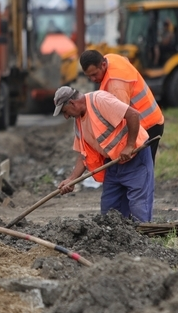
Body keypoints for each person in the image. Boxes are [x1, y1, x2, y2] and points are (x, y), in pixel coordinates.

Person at [54, 86, 155, 223]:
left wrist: (130, 145)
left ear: (72, 103)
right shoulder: (78, 123)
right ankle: (120, 242)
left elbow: (133, 115)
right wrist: (71, 179)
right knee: (109, 212)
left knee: (139, 206)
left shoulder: (100, 101)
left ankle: (144, 239)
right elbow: (83, 154)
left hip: (135, 157)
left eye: (65, 112)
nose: (66, 117)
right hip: (113, 164)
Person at [80, 50, 165, 164]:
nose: (93, 79)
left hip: (147, 126)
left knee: (141, 170)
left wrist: (128, 146)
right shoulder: (110, 58)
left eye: (94, 74)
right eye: (89, 76)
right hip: (150, 118)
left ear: (103, 65)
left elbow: (123, 119)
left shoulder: (115, 86)